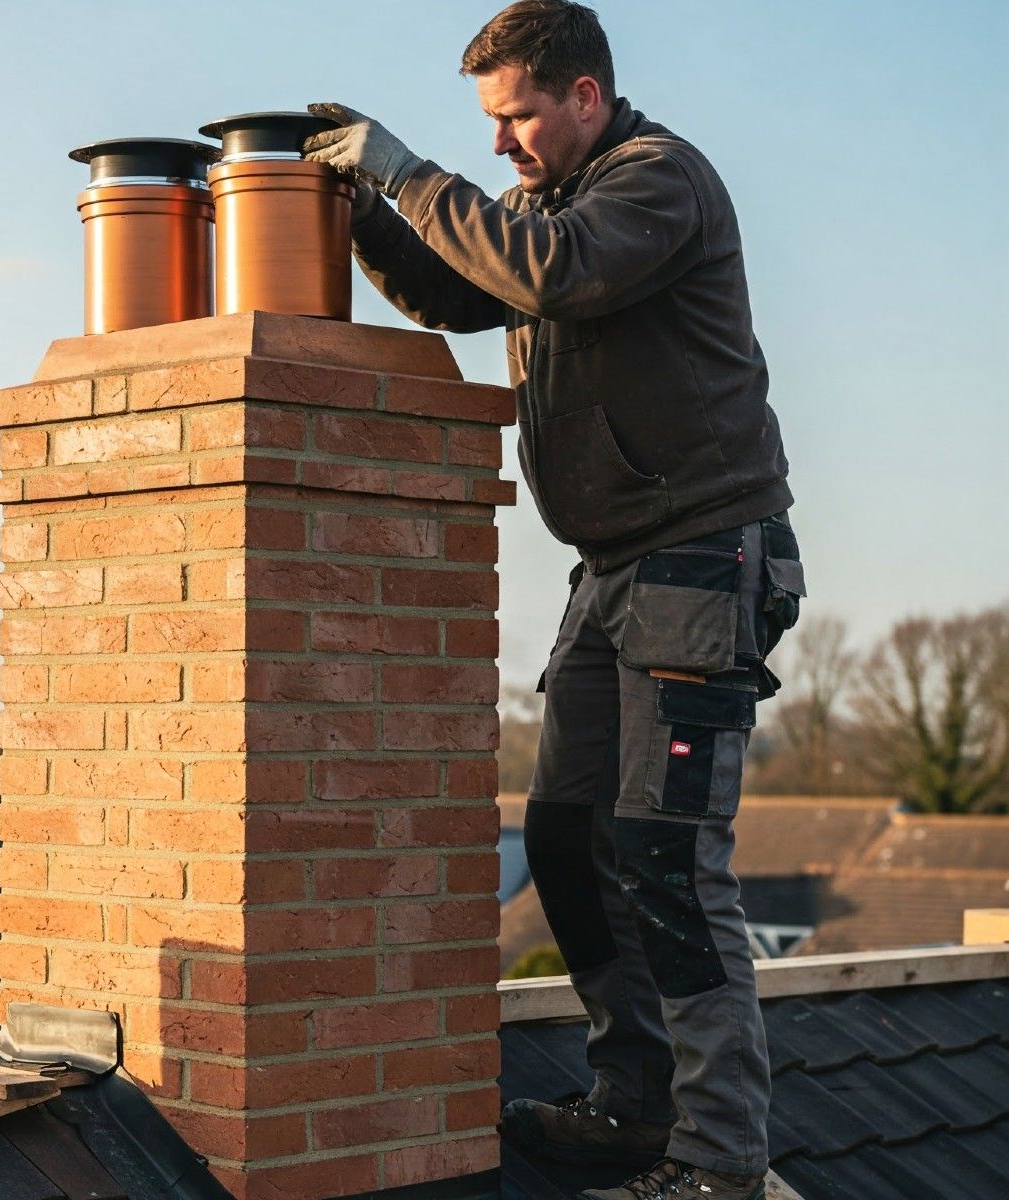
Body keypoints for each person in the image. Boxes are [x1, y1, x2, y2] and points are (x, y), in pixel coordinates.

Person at [302, 4, 803, 1199]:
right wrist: (368, 212)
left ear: (585, 95)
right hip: (614, 568)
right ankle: (632, 1107)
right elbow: (464, 293)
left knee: (667, 862)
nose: (503, 143)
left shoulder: (654, 183)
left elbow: (555, 278)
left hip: (703, 558)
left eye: (517, 114)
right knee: (568, 841)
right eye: (491, 122)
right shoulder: (544, 208)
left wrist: (402, 168)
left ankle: (719, 1161)